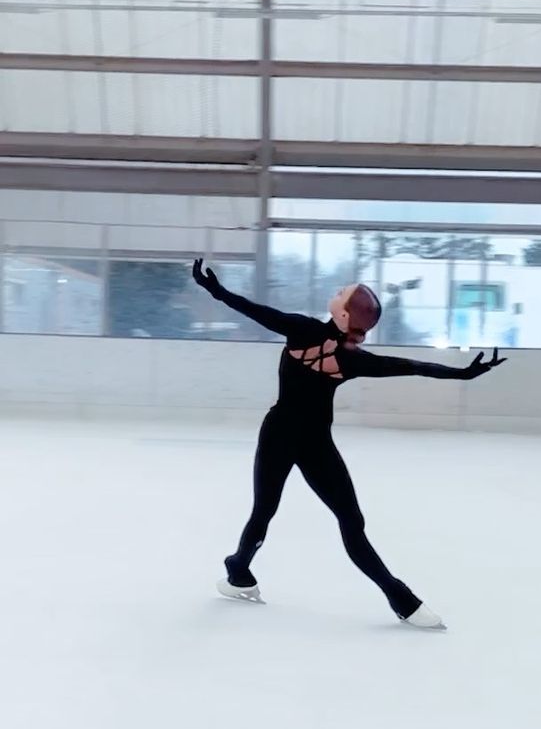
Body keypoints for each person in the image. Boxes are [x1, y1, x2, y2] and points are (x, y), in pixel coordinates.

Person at [193, 259, 506, 628]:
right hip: (298, 439)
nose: (337, 292)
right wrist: (463, 374)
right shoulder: (351, 358)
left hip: (294, 437)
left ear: (343, 314)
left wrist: (216, 290)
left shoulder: (306, 331)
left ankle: (396, 596)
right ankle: (239, 571)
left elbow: (256, 311)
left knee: (323, 518)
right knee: (276, 513)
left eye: (342, 294)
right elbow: (411, 366)